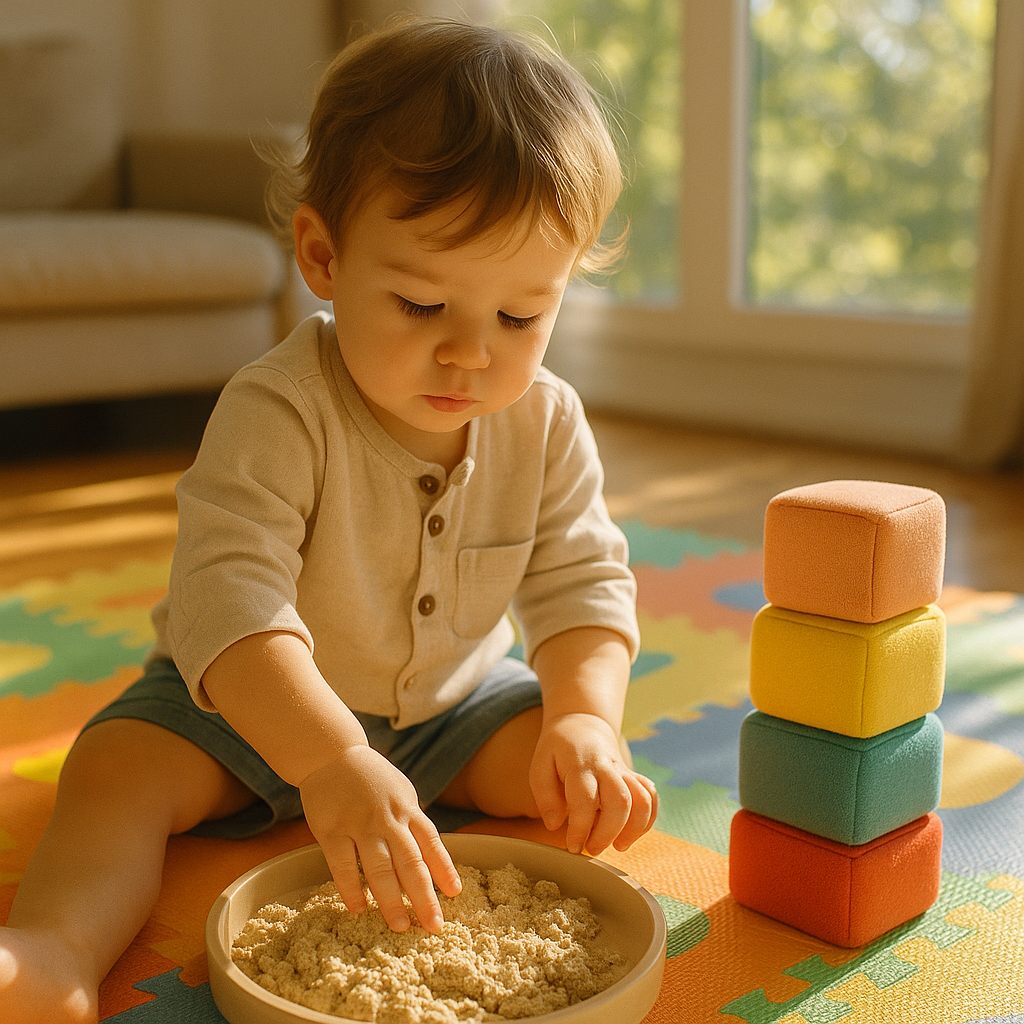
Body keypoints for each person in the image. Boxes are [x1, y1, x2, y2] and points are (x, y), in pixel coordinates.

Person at [0, 17, 658, 1023]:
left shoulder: (547, 421)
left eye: (520, 317)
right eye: (422, 305)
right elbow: (227, 599)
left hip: (454, 705)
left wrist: (583, 718)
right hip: (243, 710)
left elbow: (581, 584)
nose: (470, 355)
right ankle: (51, 954)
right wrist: (330, 758)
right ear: (322, 255)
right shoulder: (277, 408)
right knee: (115, 771)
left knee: (565, 777)